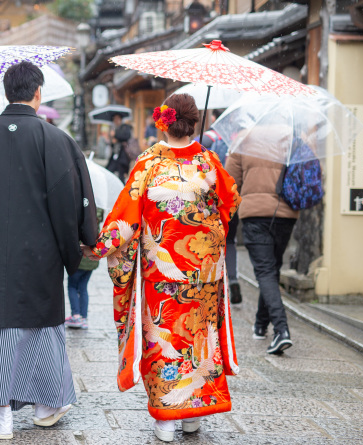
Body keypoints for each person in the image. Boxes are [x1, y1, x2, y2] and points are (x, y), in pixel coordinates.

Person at [0, 61, 99, 440]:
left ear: (6, 93)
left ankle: (2, 419)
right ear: (38, 93)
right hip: (42, 254)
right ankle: (47, 402)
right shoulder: (58, 140)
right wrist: (78, 245)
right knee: (41, 329)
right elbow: (74, 202)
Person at [83, 93, 241, 442]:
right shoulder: (210, 163)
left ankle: (166, 419)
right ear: (194, 122)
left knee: (165, 336)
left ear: (164, 122)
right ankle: (192, 415)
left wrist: (99, 247)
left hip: (162, 276)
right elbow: (227, 209)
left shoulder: (149, 162)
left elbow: (126, 218)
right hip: (203, 273)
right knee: (199, 337)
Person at [225, 143, 297, 356]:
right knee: (272, 268)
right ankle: (260, 323)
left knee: (265, 271)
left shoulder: (246, 140)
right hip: (286, 213)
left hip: (255, 213)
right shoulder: (291, 139)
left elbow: (229, 182)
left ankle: (281, 330)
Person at [200, 110, 242, 306]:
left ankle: (210, 282)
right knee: (230, 241)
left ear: (215, 117)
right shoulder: (240, 139)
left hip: (211, 200)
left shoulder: (208, 139)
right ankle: (233, 279)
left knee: (209, 240)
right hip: (233, 198)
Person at [66, 207, 105, 330]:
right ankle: (83, 318)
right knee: (83, 288)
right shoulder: (97, 217)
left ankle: (75, 316)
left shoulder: (80, 215)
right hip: (91, 262)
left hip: (80, 260)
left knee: (72, 286)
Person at [106, 114, 133, 181]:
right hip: (115, 155)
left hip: (123, 156)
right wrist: (113, 141)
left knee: (121, 175)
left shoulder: (125, 127)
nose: (116, 121)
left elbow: (126, 136)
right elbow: (112, 144)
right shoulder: (114, 128)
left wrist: (115, 135)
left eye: (117, 119)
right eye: (115, 119)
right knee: (109, 171)